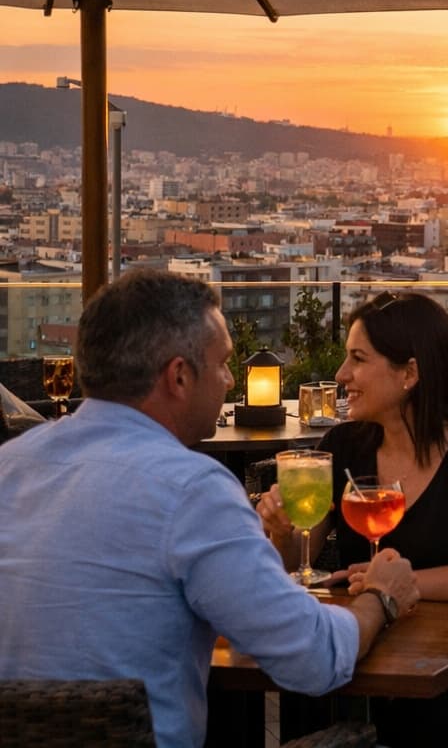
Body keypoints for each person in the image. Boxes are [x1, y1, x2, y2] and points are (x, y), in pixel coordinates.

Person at [0, 270, 419, 748]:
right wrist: (380, 597)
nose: (230, 380)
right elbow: (314, 657)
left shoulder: (10, 466)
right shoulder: (191, 490)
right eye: (222, 364)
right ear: (179, 376)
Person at [258, 291, 448, 747]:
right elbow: (297, 562)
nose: (342, 375)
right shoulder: (343, 447)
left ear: (409, 373)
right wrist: (281, 532)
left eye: (358, 359)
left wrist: (395, 586)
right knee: (306, 689)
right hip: (365, 654)